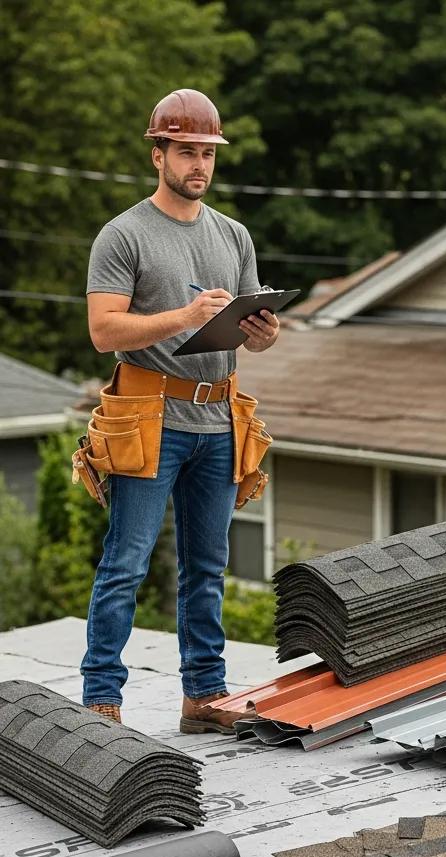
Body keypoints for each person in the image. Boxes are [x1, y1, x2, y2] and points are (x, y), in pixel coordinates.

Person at [81, 88, 278, 732]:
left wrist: (260, 331)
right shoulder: (124, 234)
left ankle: (204, 695)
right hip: (149, 420)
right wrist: (186, 316)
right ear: (158, 153)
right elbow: (105, 331)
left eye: (208, 153)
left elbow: (246, 324)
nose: (199, 164)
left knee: (208, 566)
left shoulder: (234, 234)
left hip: (220, 420)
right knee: (127, 564)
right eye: (186, 151)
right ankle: (102, 703)